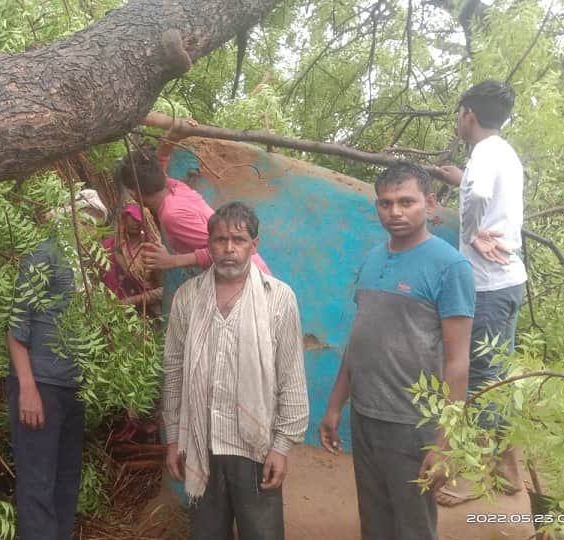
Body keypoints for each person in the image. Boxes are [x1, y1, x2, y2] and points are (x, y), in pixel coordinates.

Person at [318, 162, 475, 540]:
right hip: (366, 416)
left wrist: (445, 442)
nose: (396, 212)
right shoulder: (373, 259)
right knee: (374, 521)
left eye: (407, 201)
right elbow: (360, 339)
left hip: (413, 423)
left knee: (413, 526)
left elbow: (458, 362)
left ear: (430, 202)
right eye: (386, 203)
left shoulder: (450, 267)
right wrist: (336, 405)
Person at [162, 201, 309, 540]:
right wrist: (173, 438)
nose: (229, 249)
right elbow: (173, 371)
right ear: (208, 245)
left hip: (255, 447)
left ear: (254, 246)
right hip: (202, 444)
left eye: (239, 240)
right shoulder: (188, 297)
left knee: (262, 533)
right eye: (220, 240)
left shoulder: (279, 298)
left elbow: (291, 376)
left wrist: (282, 447)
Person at [433, 80, 527, 506]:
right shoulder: (502, 152)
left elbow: (480, 193)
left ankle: (473, 476)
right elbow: (480, 187)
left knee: (480, 380)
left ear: (468, 113)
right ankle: (509, 468)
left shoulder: (484, 153)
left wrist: (470, 235)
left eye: (459, 113)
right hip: (510, 281)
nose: (458, 120)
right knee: (498, 376)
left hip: (487, 285)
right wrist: (462, 177)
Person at [7, 198, 106, 540]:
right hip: (41, 385)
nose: (90, 227)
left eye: (96, 221)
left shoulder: (86, 266)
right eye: (85, 218)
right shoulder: (44, 255)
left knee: (66, 476)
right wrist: (28, 390)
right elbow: (17, 328)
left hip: (72, 388)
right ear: (67, 218)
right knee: (38, 480)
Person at [112, 122, 271, 317]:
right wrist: (172, 136)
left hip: (247, 285)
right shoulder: (175, 188)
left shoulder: (173, 215)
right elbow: (159, 165)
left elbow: (223, 252)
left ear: (134, 193)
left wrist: (171, 261)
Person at [100, 202, 164, 317]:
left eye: (137, 220)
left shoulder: (152, 249)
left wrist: (133, 301)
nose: (134, 223)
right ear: (122, 221)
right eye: (130, 220)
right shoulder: (109, 246)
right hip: (113, 313)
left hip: (146, 315)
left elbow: (163, 290)